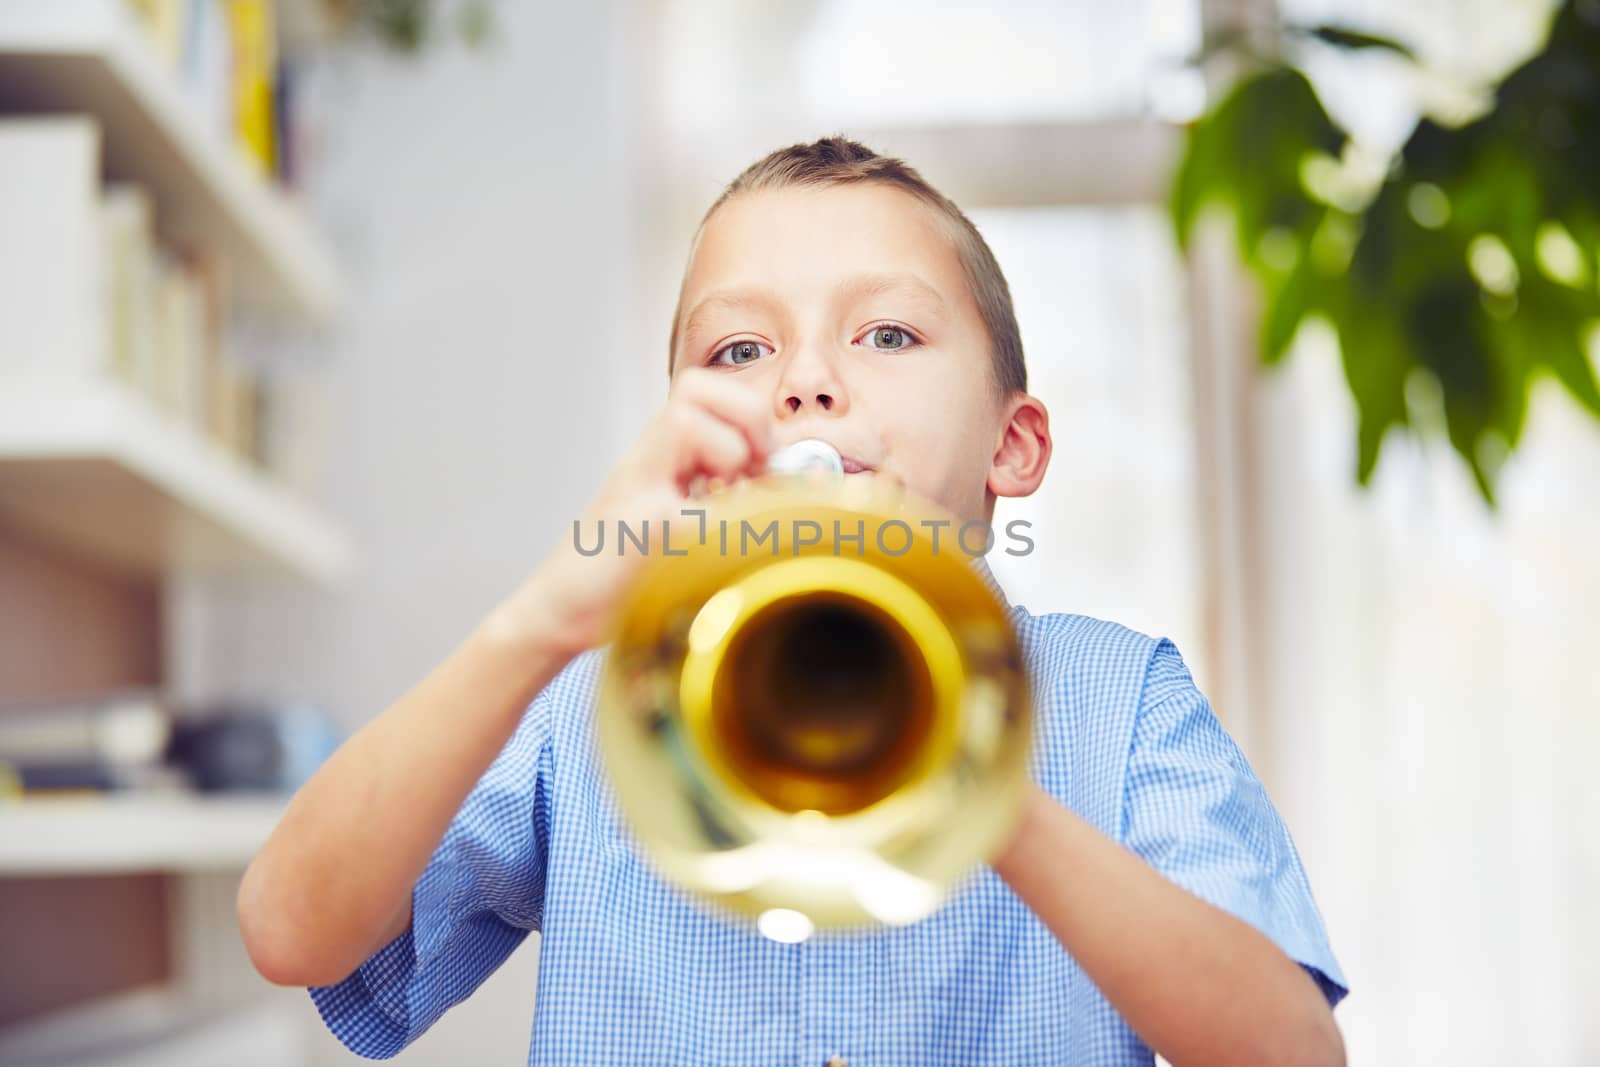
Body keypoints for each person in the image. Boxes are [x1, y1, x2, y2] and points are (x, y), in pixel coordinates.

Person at [237, 136, 1348, 1066]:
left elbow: (1291, 1051)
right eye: (739, 347)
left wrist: (966, 768)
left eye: (888, 334)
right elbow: (293, 932)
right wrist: (544, 619)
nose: (805, 383)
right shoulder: (589, 701)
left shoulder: (1121, 698)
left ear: (1012, 446)